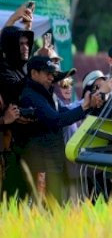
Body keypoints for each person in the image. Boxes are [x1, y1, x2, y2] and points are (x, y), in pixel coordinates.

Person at [18, 55, 102, 202]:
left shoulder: (47, 94)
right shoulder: (31, 96)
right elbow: (56, 120)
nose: (52, 77)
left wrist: (88, 106)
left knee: (56, 209)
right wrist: (85, 106)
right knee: (40, 210)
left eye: (52, 73)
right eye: (47, 73)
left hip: (53, 163)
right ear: (34, 74)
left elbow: (64, 113)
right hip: (40, 164)